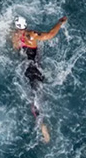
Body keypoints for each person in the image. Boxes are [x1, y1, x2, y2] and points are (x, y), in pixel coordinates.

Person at [12, 14, 67, 142]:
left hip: (24, 69)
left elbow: (17, 52)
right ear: (25, 26)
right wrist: (60, 22)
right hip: (35, 69)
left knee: (33, 96)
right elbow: (50, 34)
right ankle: (43, 126)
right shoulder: (32, 35)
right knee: (40, 95)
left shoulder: (14, 38)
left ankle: (39, 122)